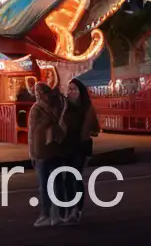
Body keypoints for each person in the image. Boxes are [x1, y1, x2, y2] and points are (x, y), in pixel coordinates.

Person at [59, 78, 100, 225]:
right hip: (66, 146)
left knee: (75, 177)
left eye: (75, 89)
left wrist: (88, 131)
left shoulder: (87, 107)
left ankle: (77, 210)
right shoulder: (62, 107)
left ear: (80, 91)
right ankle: (70, 208)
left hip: (81, 147)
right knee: (67, 179)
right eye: (69, 89)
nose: (72, 92)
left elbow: (96, 128)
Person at [28, 80, 66, 227]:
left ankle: (49, 214)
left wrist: (32, 153)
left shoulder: (39, 109)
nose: (38, 95)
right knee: (53, 183)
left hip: (45, 150)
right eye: (36, 93)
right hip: (49, 149)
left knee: (47, 184)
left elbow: (33, 132)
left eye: (40, 92)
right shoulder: (51, 107)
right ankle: (54, 214)